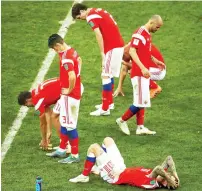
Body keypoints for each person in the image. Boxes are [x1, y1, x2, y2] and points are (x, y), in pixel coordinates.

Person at [72, 3, 124, 116]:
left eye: (79, 17)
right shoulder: (97, 10)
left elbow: (98, 34)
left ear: (81, 12)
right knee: (108, 74)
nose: (81, 19)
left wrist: (102, 53)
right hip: (117, 44)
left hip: (112, 47)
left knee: (105, 75)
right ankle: (109, 104)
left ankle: (105, 109)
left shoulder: (90, 17)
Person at [116, 15, 165, 136]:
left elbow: (145, 52)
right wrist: (143, 68)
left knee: (142, 101)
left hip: (143, 73)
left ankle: (140, 127)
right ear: (152, 22)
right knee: (140, 102)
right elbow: (132, 51)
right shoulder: (139, 33)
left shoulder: (147, 35)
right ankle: (121, 120)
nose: (157, 29)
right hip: (139, 73)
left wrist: (155, 60)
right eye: (157, 27)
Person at [69, 137, 180, 190]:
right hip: (121, 167)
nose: (169, 175)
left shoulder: (153, 182)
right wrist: (175, 175)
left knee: (93, 147)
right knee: (108, 140)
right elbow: (169, 159)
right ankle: (100, 168)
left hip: (114, 175)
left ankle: (84, 176)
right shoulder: (162, 175)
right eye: (169, 175)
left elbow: (157, 169)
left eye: (168, 178)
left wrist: (169, 178)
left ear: (165, 183)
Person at [46, 34, 83, 164]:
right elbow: (80, 61)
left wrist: (69, 90)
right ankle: (62, 149)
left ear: (58, 45)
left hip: (70, 96)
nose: (55, 51)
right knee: (60, 117)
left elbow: (72, 76)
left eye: (54, 49)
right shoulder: (71, 51)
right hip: (71, 93)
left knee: (70, 125)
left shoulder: (66, 58)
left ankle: (74, 155)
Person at [18, 77, 61, 150]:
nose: (28, 107)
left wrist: (44, 140)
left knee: (56, 118)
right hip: (68, 87)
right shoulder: (36, 92)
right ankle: (65, 143)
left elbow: (43, 123)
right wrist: (49, 132)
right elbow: (47, 111)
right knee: (56, 116)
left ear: (27, 100)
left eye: (26, 105)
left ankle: (66, 145)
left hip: (70, 91)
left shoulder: (37, 100)